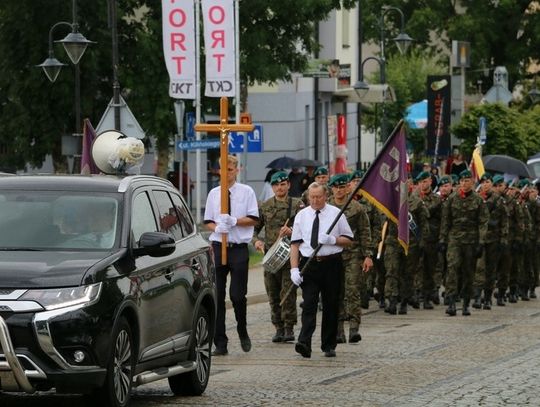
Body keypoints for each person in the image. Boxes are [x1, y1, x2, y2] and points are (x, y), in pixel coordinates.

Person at [289, 182, 353, 358]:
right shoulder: (302, 215)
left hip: (331, 264)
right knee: (309, 303)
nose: (315, 200)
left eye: (318, 197)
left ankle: (328, 344)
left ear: (326, 196)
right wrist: (294, 269)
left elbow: (348, 239)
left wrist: (333, 240)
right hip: (309, 264)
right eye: (312, 197)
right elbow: (295, 244)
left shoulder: (336, 214)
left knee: (331, 304)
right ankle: (304, 342)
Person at [204, 155, 259, 356]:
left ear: (237, 170)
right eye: (223, 169)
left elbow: (254, 218)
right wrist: (217, 226)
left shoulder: (246, 192)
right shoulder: (214, 193)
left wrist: (235, 221)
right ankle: (220, 341)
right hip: (219, 246)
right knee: (217, 296)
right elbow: (208, 220)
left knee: (237, 295)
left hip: (238, 247)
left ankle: (242, 329)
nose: (226, 172)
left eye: (230, 169)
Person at [253, 171, 304, 343]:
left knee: (287, 293)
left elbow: (307, 229)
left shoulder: (297, 205)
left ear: (288, 185)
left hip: (290, 256)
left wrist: (293, 231)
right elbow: (254, 230)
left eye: (283, 184)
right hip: (271, 256)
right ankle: (278, 328)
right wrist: (256, 242)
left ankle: (289, 328)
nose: (279, 187)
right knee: (272, 293)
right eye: (276, 185)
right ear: (272, 187)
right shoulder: (265, 206)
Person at [328, 174, 372, 343]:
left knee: (352, 290)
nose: (339, 190)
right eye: (336, 187)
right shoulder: (327, 207)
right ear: (332, 189)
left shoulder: (357, 208)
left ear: (348, 188)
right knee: (336, 292)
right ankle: (338, 330)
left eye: (342, 187)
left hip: (353, 254)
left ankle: (354, 328)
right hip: (333, 254)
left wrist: (367, 255)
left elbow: (364, 232)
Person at [439, 169, 489, 316]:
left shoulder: (478, 200)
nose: (464, 183)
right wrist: (442, 240)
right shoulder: (452, 199)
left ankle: (466, 303)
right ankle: (451, 301)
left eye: (467, 181)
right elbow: (445, 221)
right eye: (461, 181)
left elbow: (483, 222)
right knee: (452, 269)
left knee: (469, 272)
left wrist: (481, 242)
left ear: (472, 182)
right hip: (454, 239)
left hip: (471, 241)